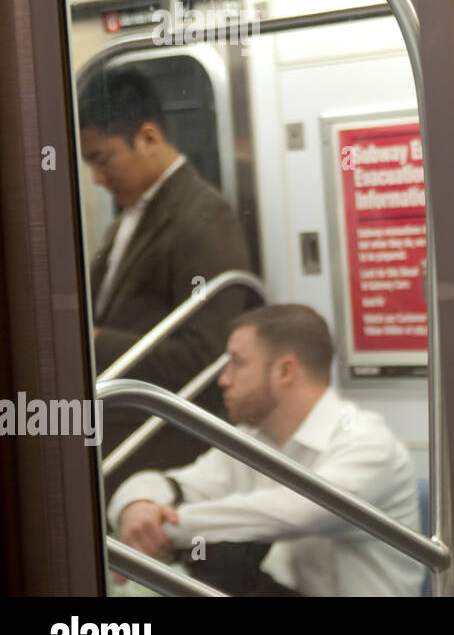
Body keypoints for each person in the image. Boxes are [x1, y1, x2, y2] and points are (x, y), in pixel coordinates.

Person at [106, 304, 425, 597]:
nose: (223, 380)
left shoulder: (366, 442)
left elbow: (297, 512)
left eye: (236, 363)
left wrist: (163, 529)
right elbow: (175, 483)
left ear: (285, 371)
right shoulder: (255, 438)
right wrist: (137, 505)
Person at [78, 67, 257, 495]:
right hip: (119, 428)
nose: (98, 179)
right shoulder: (129, 220)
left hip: (161, 442)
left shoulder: (201, 219)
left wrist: (94, 339)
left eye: (103, 160)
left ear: (149, 137)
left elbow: (205, 355)